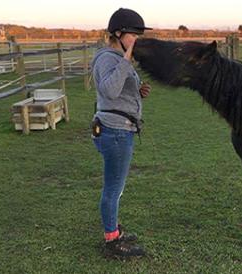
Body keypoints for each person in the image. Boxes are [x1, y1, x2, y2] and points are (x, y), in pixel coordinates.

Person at [91, 8, 152, 258]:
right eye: (134, 34)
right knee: (113, 189)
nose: (138, 39)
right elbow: (109, 90)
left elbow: (121, 89)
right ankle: (112, 242)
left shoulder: (117, 58)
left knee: (117, 187)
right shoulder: (109, 58)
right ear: (118, 33)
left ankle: (113, 229)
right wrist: (127, 61)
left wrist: (138, 91)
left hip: (120, 129)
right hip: (115, 132)